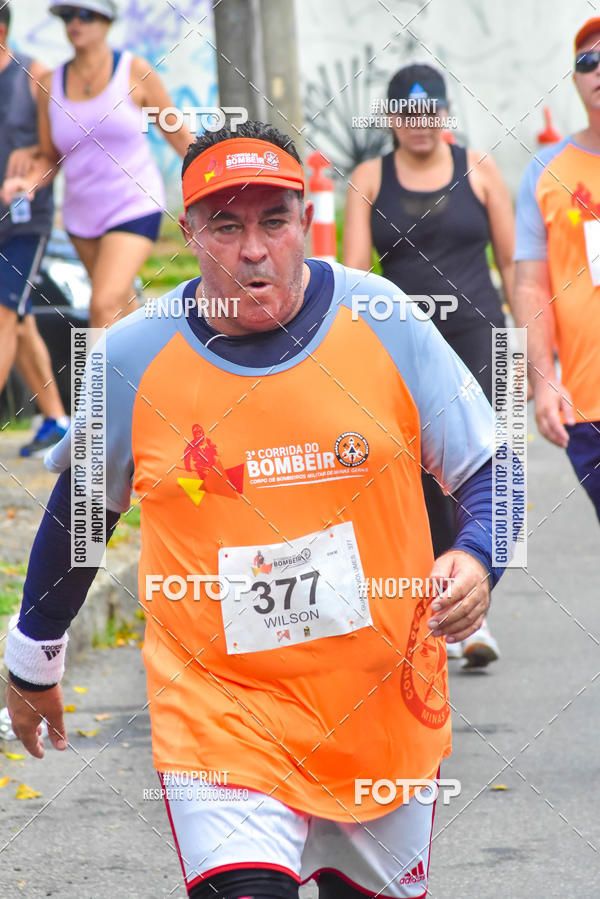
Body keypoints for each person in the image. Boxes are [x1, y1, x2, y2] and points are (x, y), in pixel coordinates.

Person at [5, 121, 506, 899]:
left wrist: (476, 556)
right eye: (225, 224)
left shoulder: (383, 318)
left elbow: (490, 470)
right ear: (188, 232)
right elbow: (82, 511)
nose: (252, 248)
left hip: (377, 709)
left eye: (274, 221)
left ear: (305, 221)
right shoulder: (133, 355)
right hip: (221, 711)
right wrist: (32, 654)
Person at [344, 63, 516, 667]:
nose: (421, 124)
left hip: (478, 338)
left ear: (446, 113)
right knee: (420, 479)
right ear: (392, 119)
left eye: (431, 111)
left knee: (481, 471)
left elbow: (515, 266)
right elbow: (356, 279)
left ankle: (474, 613)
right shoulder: (369, 177)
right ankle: (444, 609)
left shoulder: (480, 169)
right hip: (406, 347)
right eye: (408, 113)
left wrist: (521, 348)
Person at [2, 0, 192, 330]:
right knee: (122, 308)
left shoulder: (135, 71)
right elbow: (50, 157)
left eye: (85, 14)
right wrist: (27, 183)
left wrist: (216, 184)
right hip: (82, 218)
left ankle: (94, 383)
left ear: (107, 21)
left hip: (134, 205)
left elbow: (180, 137)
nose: (75, 22)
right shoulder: (49, 84)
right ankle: (148, 377)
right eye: (67, 15)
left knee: (102, 305)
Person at [513, 17, 600, 522]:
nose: (598, 69)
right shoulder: (545, 171)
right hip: (588, 407)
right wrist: (544, 380)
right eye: (586, 61)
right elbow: (529, 284)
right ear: (574, 79)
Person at [0, 0, 70, 455]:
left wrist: (29, 179)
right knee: (19, 322)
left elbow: (57, 150)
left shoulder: (34, 75)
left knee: (3, 315)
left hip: (26, 223)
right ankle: (57, 420)